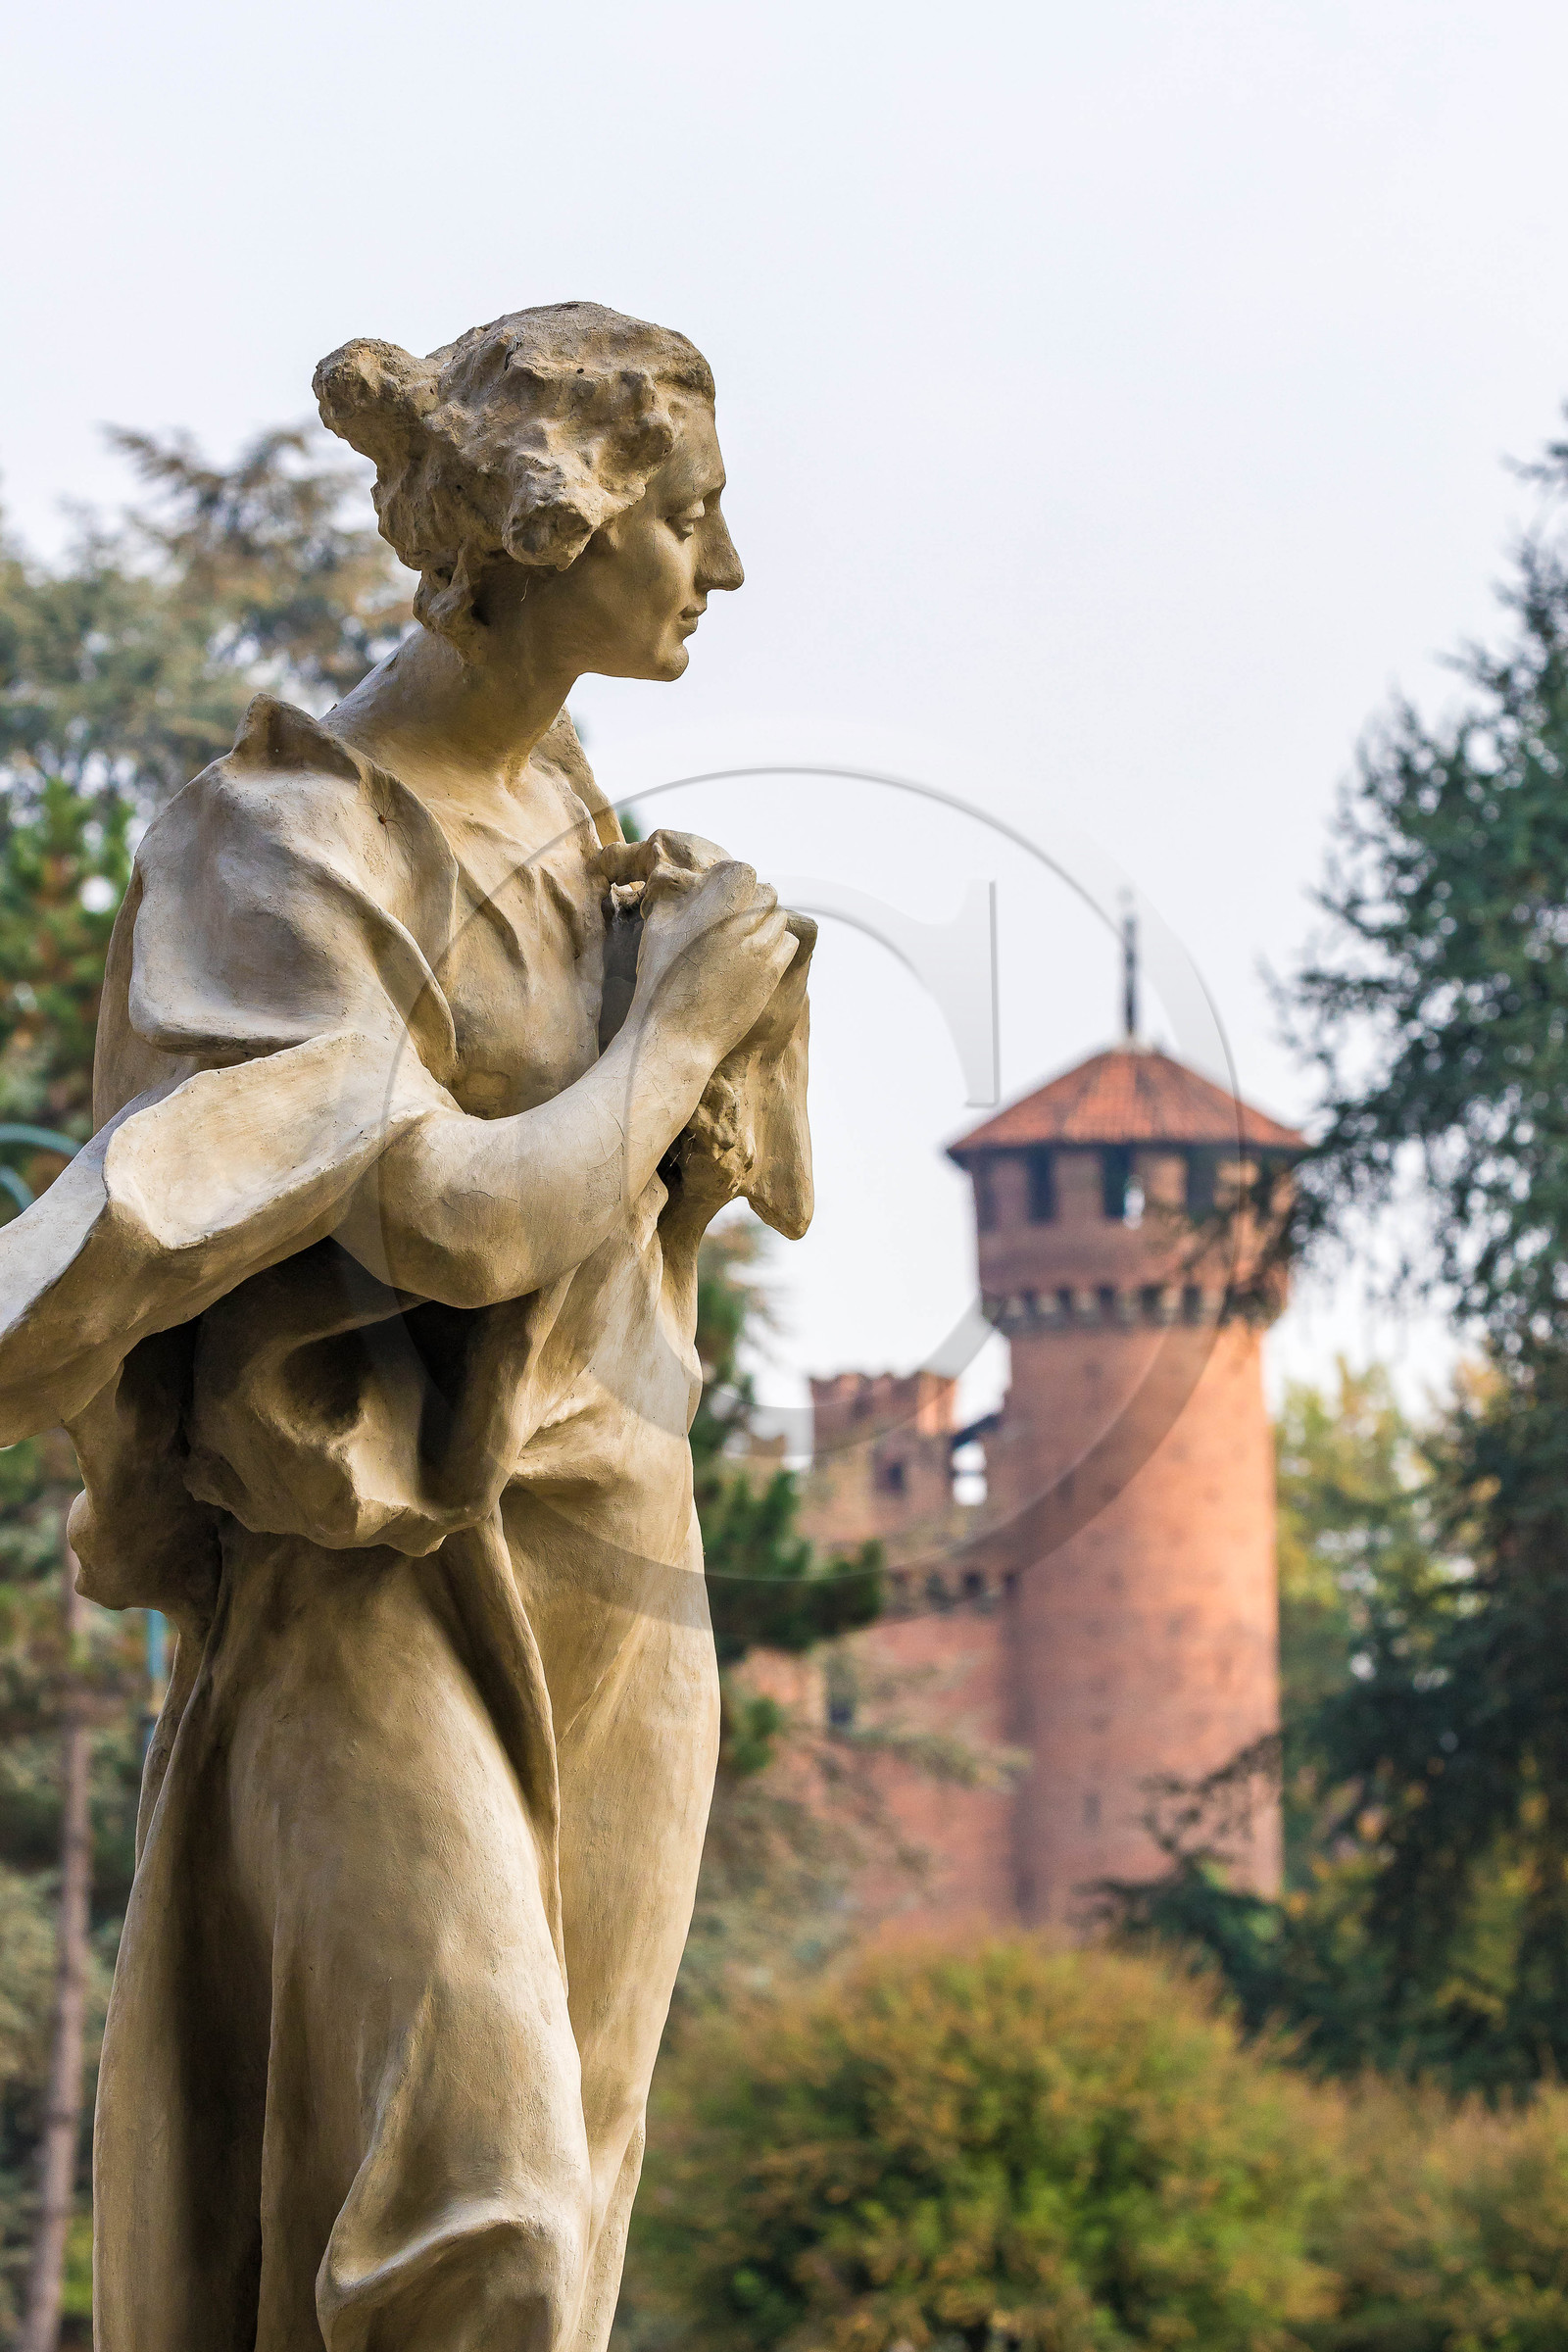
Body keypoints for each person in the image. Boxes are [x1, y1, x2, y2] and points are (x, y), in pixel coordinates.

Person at [0, 302, 813, 2351]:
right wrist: (680, 1025)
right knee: (479, 2199)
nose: (724, 568)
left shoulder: (573, 815)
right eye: (691, 518)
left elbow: (640, 1228)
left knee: (573, 2215)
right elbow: (450, 1219)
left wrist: (710, 1060)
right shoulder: (285, 841)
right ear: (556, 527)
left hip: (614, 1569)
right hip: (367, 1583)